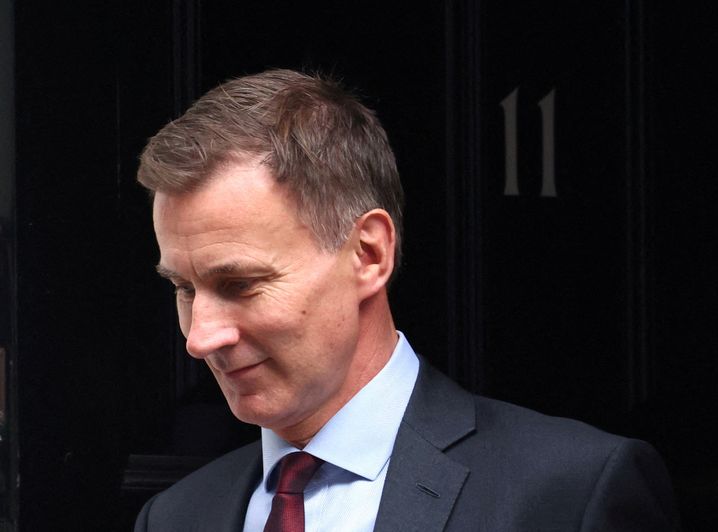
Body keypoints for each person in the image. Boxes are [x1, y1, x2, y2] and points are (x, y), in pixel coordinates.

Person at [134, 69, 679, 531]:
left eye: (240, 284)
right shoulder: (176, 516)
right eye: (184, 289)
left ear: (369, 255)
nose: (200, 338)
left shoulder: (571, 493)